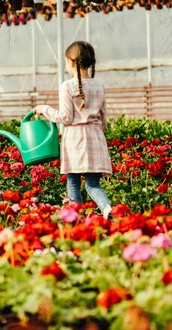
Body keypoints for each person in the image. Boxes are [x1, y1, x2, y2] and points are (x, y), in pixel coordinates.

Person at [34, 41, 113, 219]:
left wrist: (43, 109)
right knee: (93, 185)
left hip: (75, 140)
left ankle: (76, 219)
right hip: (95, 137)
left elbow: (65, 117)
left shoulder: (67, 86)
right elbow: (103, 118)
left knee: (73, 184)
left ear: (71, 61)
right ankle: (107, 208)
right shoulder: (99, 85)